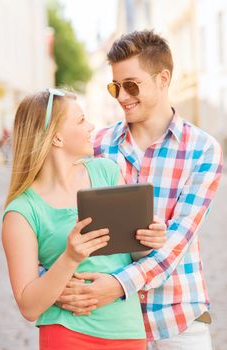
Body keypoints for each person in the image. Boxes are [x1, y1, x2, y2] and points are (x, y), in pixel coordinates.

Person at [57, 30, 223, 349]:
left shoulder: (202, 150)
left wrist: (119, 285)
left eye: (131, 85)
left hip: (177, 320)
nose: (121, 97)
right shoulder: (98, 144)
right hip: (109, 323)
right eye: (114, 87)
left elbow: (177, 241)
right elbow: (60, 215)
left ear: (163, 78)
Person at [2, 88, 167, 350]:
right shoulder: (21, 212)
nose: (91, 126)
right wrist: (70, 257)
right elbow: (29, 306)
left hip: (126, 330)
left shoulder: (107, 172)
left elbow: (133, 254)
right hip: (66, 334)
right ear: (56, 138)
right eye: (80, 120)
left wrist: (147, 240)